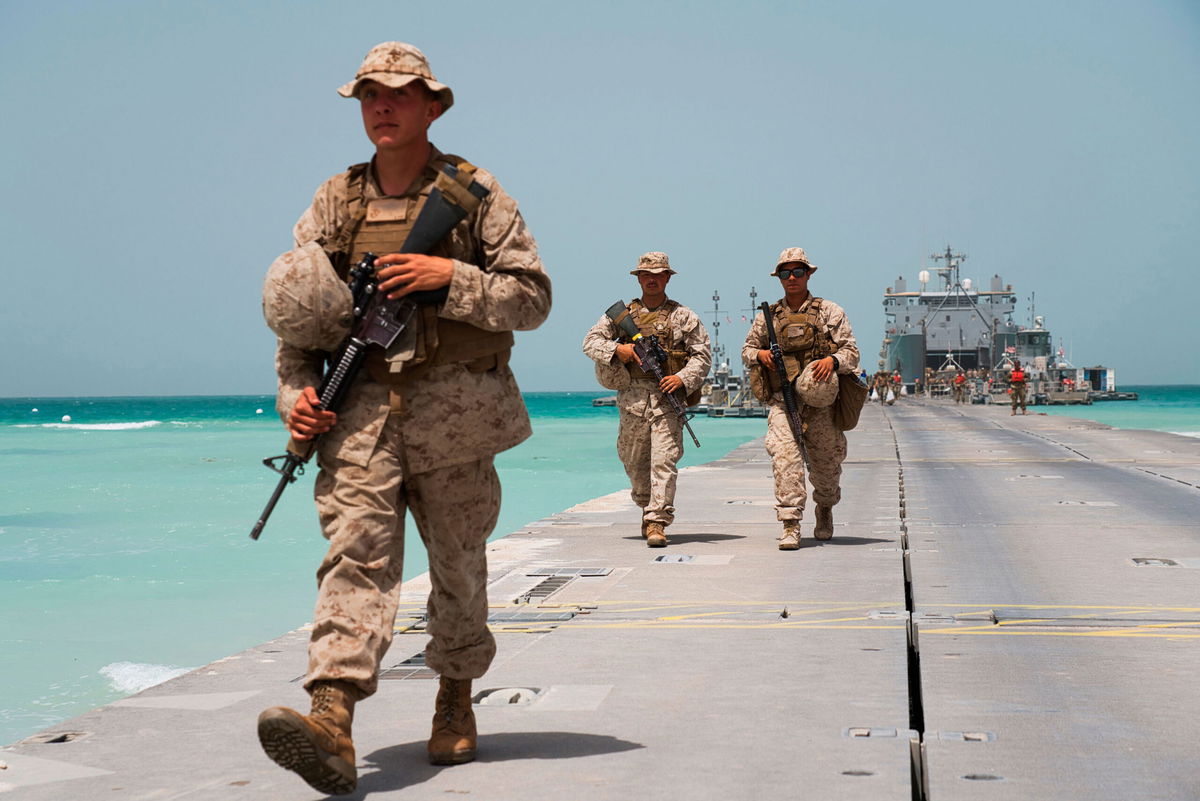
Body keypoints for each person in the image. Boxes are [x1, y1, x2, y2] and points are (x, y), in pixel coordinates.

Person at [256, 42, 551, 795]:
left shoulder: (476, 194)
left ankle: (455, 693)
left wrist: (446, 278)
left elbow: (532, 298)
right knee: (354, 557)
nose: (380, 106)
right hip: (358, 419)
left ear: (432, 105)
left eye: (397, 93)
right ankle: (332, 715)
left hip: (456, 417)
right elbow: (296, 329)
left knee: (458, 568)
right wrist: (298, 405)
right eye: (368, 96)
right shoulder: (335, 202)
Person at [582, 253, 710, 546]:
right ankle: (645, 505)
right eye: (646, 275)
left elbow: (702, 356)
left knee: (664, 460)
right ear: (639, 278)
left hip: (668, 398)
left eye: (658, 274)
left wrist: (682, 379)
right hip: (633, 400)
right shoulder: (621, 315)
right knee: (634, 461)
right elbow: (590, 342)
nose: (652, 279)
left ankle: (657, 521)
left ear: (667, 278)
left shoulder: (684, 316)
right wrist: (620, 352)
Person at [743, 247, 859, 550]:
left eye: (798, 272)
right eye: (785, 273)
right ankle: (790, 522)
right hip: (783, 400)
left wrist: (832, 361)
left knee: (825, 468)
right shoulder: (767, 317)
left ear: (808, 274)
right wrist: (761, 354)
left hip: (822, 405)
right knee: (785, 460)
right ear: (778, 278)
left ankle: (825, 507)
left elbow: (851, 352)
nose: (791, 277)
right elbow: (747, 350)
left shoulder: (829, 312)